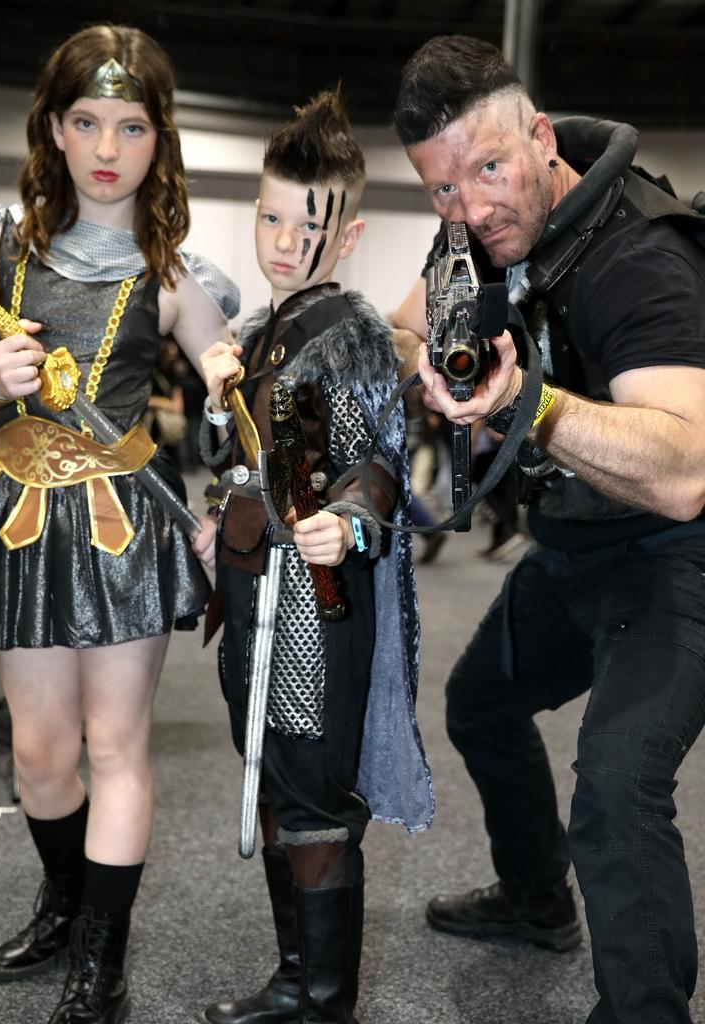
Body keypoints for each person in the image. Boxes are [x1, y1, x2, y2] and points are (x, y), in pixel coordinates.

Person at [393, 33, 705, 1024]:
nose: (470, 210)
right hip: (570, 546)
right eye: (443, 189)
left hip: (673, 559)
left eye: (488, 169)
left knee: (614, 789)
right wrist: (438, 356)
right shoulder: (470, 231)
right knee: (480, 704)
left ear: (537, 136)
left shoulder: (639, 256)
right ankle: (537, 902)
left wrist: (527, 400)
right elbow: (406, 322)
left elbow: (687, 470)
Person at [0, 24, 238, 1024]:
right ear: (54, 128)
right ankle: (67, 903)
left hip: (123, 527)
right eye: (87, 120)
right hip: (22, 519)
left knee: (115, 745)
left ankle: (99, 964)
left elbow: (237, 393)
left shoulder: (174, 272)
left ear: (161, 140)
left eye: (133, 125)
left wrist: (245, 494)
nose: (108, 146)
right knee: (40, 754)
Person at [197, 88, 433, 1024]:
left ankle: (324, 1001)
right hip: (252, 596)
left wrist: (351, 518)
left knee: (314, 804)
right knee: (268, 779)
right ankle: (296, 979)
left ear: (348, 232)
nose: (286, 238)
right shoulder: (254, 333)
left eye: (309, 222)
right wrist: (218, 399)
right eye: (270, 216)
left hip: (317, 604)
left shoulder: (358, 335)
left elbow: (379, 459)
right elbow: (231, 458)